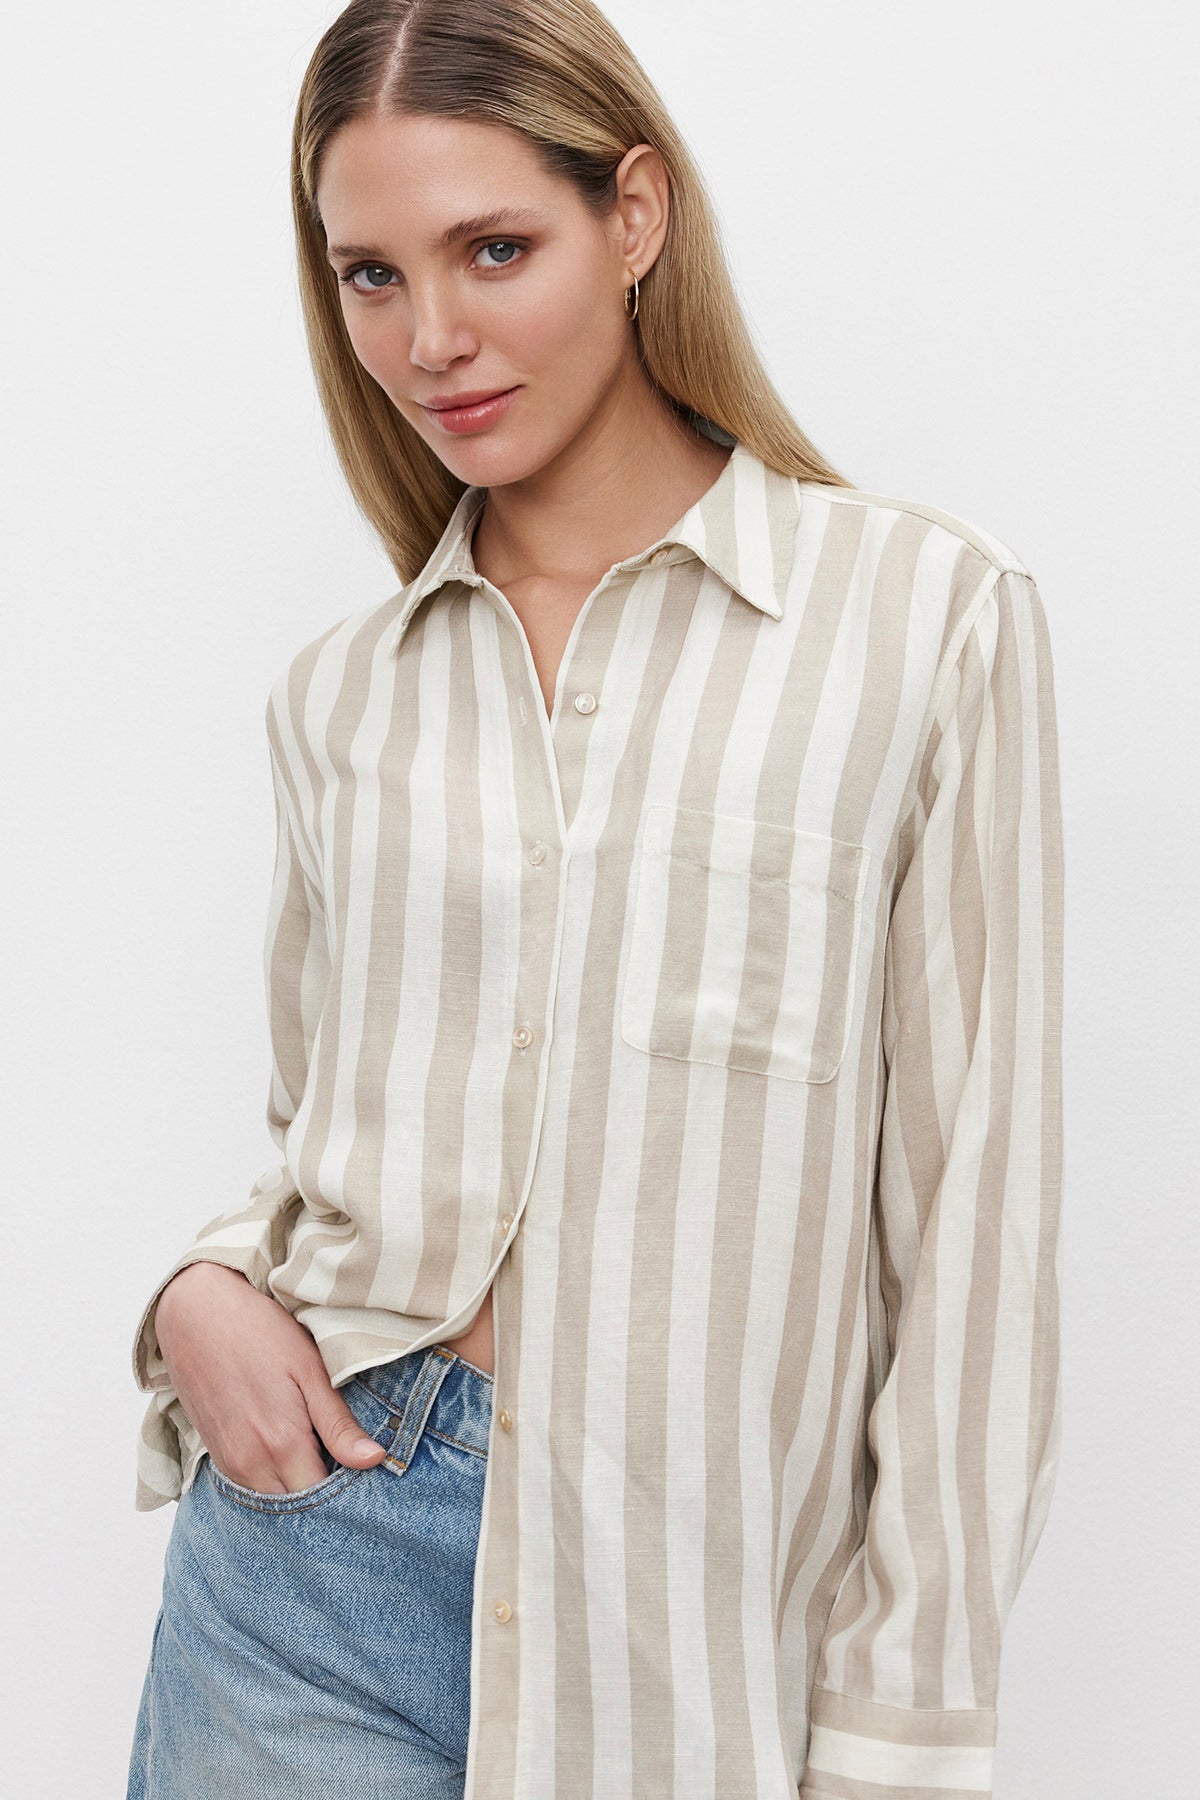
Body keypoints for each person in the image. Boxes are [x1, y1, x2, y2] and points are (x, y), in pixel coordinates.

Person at [126, 1, 1065, 1795]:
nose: (435, 338)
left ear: (634, 215)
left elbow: (973, 1243)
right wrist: (201, 1290)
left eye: (496, 248)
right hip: (303, 1568)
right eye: (372, 276)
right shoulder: (340, 697)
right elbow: (319, 1136)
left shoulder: (922, 622)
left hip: (676, 1630)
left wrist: (897, 1740)